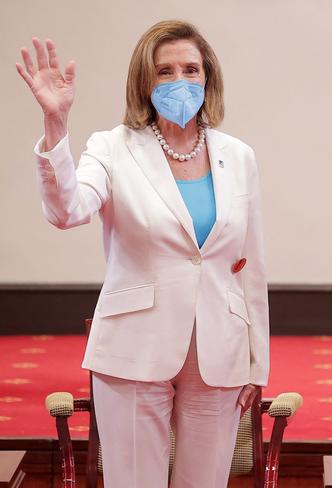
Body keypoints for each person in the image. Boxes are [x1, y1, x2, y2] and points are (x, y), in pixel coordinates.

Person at [16, 20, 269, 488]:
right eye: (164, 72)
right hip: (134, 346)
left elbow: (249, 264)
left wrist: (257, 362)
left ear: (207, 77)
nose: (180, 82)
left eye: (191, 70)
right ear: (144, 82)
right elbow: (66, 210)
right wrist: (56, 124)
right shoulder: (112, 148)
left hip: (220, 350)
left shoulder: (239, 156)